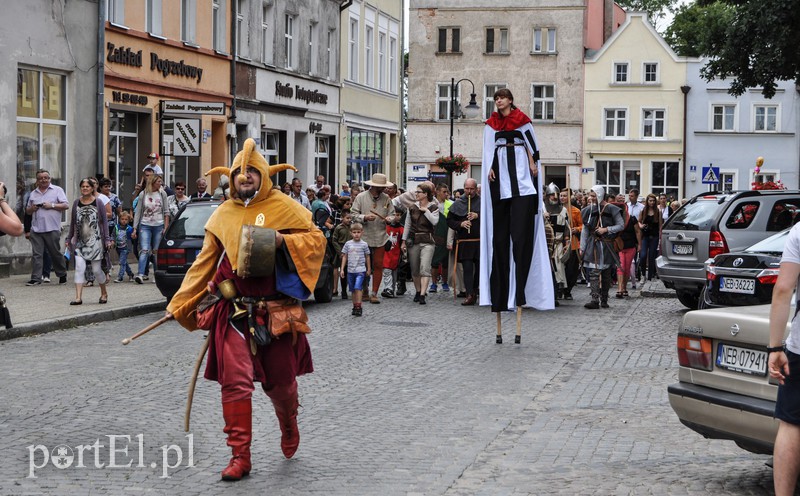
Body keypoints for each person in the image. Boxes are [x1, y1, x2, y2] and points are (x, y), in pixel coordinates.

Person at [165, 138, 326, 481]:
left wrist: (284, 240)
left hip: (276, 312)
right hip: (234, 313)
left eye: (252, 171)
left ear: (263, 176)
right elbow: (204, 263)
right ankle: (240, 456)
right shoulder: (223, 213)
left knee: (280, 385)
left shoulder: (286, 207)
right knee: (235, 384)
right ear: (232, 178)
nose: (245, 177)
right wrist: (180, 303)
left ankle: (288, 423)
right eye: (240, 172)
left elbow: (317, 242)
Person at [479, 88, 553, 323]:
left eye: (501, 97)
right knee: (501, 240)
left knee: (520, 238)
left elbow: (532, 146)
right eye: (495, 98)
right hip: (501, 177)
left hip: (521, 177)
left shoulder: (522, 121)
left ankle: (521, 291)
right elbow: (488, 150)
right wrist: (489, 167)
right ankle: (501, 294)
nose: (498, 100)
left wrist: (532, 163)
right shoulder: (491, 124)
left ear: (510, 100)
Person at [350, 173, 396, 303]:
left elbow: (392, 215)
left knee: (378, 265)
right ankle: (364, 289)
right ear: (373, 186)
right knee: (363, 266)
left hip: (380, 237)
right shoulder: (361, 197)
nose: (383, 189)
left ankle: (374, 292)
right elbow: (353, 214)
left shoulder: (386, 198)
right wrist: (364, 217)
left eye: (383, 187)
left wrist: (389, 219)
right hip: (364, 237)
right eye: (380, 187)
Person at [67, 178, 113, 305]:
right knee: (79, 268)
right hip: (80, 242)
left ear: (93, 188)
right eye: (83, 186)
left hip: (96, 242)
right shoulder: (76, 203)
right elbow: (73, 223)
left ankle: (104, 292)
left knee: (97, 270)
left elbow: (104, 223)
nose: (85, 188)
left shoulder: (98, 202)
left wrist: (107, 240)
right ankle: (78, 297)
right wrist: (69, 238)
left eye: (87, 186)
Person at [580, 186, 625, 309]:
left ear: (600, 195)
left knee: (606, 272)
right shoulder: (587, 210)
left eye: (593, 196)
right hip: (593, 244)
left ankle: (604, 299)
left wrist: (606, 229)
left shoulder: (611, 209)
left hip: (606, 244)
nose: (591, 198)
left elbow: (620, 225)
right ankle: (595, 299)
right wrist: (582, 247)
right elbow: (585, 231)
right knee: (594, 272)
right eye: (590, 195)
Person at [25, 169, 69, 286]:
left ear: (49, 179)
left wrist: (52, 205)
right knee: (37, 255)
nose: (43, 180)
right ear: (37, 180)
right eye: (41, 178)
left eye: (46, 177)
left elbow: (66, 205)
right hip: (36, 229)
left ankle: (62, 274)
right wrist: (32, 209)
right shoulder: (33, 193)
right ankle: (36, 278)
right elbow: (27, 211)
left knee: (55, 253)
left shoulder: (57, 190)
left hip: (52, 228)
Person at [401, 182, 438, 305]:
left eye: (418, 192)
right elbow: (407, 225)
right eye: (416, 192)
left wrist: (426, 211)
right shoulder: (412, 207)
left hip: (428, 241)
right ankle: (417, 291)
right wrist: (403, 241)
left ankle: (422, 294)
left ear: (426, 194)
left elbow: (435, 222)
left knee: (425, 268)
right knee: (415, 269)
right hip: (414, 240)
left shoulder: (433, 207)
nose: (416, 194)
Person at [448, 178, 481, 305]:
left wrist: (477, 216)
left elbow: (491, 217)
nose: (469, 191)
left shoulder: (482, 202)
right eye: (467, 188)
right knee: (467, 268)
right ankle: (469, 294)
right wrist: (461, 224)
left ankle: (475, 290)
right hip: (465, 241)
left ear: (476, 189)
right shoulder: (458, 203)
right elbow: (449, 221)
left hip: (479, 241)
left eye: (472, 189)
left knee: (479, 269)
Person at [132, 174, 169, 284]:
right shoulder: (144, 194)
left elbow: (166, 212)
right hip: (145, 224)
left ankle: (156, 274)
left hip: (158, 224)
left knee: (156, 251)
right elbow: (138, 211)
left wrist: (165, 227)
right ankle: (140, 274)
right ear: (153, 182)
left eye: (161, 182)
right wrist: (135, 228)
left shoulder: (162, 193)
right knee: (144, 250)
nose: (160, 183)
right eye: (158, 182)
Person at [544, 183, 570, 299]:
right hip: (546, 244)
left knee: (559, 266)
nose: (554, 197)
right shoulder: (542, 209)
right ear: (547, 196)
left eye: (556, 195)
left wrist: (567, 240)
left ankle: (559, 289)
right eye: (552, 195)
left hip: (558, 243)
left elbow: (566, 227)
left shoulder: (563, 210)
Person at [341, 222, 371, 316]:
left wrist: (368, 268)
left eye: (358, 232)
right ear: (351, 233)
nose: (356, 234)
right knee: (353, 289)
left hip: (360, 270)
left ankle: (359, 306)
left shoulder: (364, 244)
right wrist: (342, 269)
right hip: (350, 271)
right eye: (354, 232)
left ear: (362, 232)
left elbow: (367, 257)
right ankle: (354, 305)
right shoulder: (348, 244)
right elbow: (344, 256)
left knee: (358, 287)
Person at [429, 183, 452, 294]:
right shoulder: (431, 205)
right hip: (434, 235)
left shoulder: (450, 204)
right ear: (437, 192)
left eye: (447, 192)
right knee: (434, 261)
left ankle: (445, 282)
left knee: (445, 261)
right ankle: (433, 283)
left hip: (446, 235)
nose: (446, 194)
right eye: (444, 192)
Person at [615, 201, 640, 298]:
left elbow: (637, 232)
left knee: (627, 267)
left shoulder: (632, 219)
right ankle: (620, 289)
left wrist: (639, 244)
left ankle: (624, 287)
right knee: (621, 266)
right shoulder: (616, 220)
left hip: (630, 245)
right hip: (620, 246)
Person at [560, 189, 582, 300]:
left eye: (564, 196)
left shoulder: (576, 211)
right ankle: (559, 290)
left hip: (573, 244)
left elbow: (582, 226)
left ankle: (568, 291)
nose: (562, 198)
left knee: (572, 269)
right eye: (561, 195)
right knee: (560, 268)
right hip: (560, 243)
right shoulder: (556, 210)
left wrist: (576, 229)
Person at [638, 193, 662, 281]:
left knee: (652, 256)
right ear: (647, 201)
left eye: (653, 201)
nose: (651, 202)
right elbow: (639, 221)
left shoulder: (658, 212)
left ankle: (650, 276)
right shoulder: (643, 211)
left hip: (654, 236)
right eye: (650, 201)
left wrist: (660, 237)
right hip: (645, 236)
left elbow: (660, 225)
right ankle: (643, 274)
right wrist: (640, 225)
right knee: (643, 255)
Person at [331, 210, 353, 299]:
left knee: (350, 271)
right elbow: (334, 240)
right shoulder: (338, 228)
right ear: (342, 218)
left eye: (350, 218)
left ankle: (351, 289)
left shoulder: (352, 227)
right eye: (347, 218)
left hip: (351, 251)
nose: (349, 220)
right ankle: (343, 291)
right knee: (343, 271)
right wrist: (340, 252)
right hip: (341, 250)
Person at [381, 215, 404, 298]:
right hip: (386, 253)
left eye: (398, 215)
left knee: (394, 272)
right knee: (386, 270)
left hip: (396, 254)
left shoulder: (402, 229)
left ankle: (392, 289)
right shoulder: (385, 226)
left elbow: (403, 241)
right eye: (394, 215)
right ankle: (388, 288)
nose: (396, 217)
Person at [114, 211, 135, 282]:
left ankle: (120, 277)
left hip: (126, 247)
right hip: (118, 247)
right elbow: (113, 235)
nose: (124, 221)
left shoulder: (130, 228)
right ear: (119, 219)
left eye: (126, 219)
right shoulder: (116, 227)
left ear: (128, 220)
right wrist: (112, 241)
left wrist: (134, 236)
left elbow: (133, 237)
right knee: (124, 262)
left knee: (122, 262)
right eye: (122, 219)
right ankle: (130, 274)